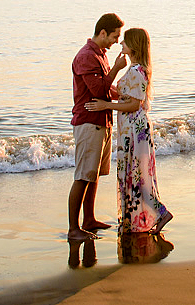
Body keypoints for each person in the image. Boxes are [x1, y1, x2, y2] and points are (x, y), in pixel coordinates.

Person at [85, 26, 172, 235]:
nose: (120, 44)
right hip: (131, 127)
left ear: (132, 46)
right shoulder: (136, 68)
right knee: (135, 174)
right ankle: (155, 213)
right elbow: (127, 96)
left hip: (134, 127)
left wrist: (106, 105)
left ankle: (160, 212)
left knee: (136, 174)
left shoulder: (136, 71)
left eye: (124, 41)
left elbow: (134, 104)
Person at [68, 12, 126, 241]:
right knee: (83, 176)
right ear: (102, 32)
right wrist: (117, 69)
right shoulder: (86, 56)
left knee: (94, 175)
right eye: (114, 36)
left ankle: (89, 220)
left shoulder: (100, 54)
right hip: (88, 123)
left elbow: (107, 89)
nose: (115, 41)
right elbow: (98, 91)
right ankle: (74, 229)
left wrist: (123, 96)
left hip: (103, 121)